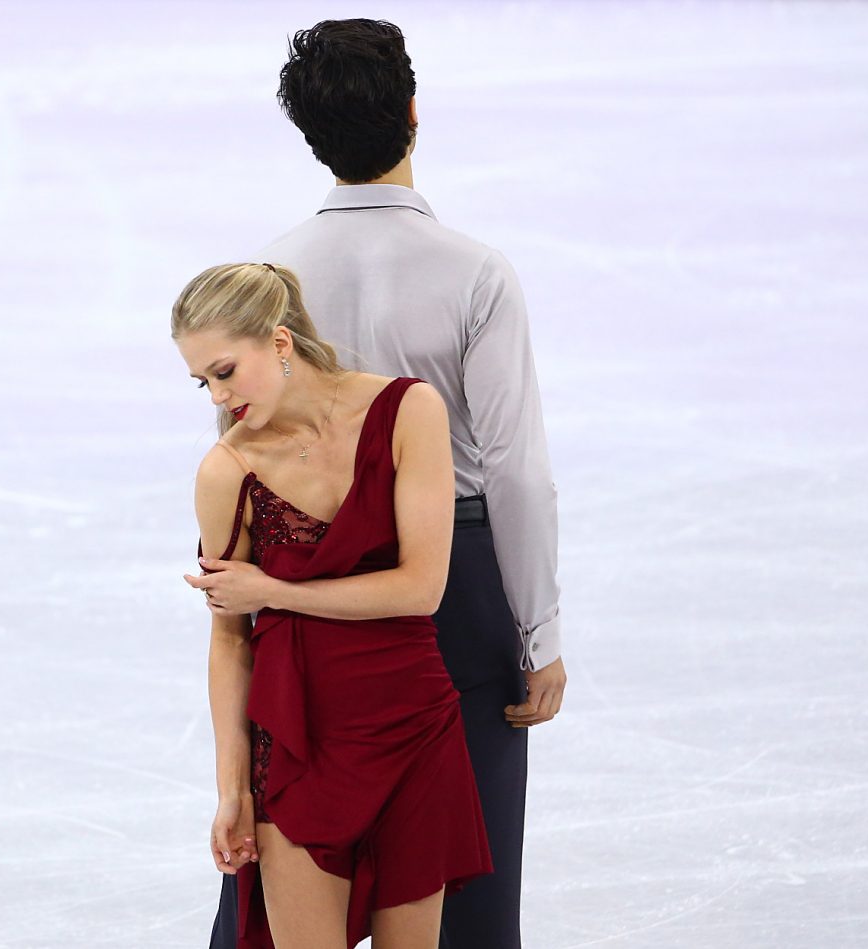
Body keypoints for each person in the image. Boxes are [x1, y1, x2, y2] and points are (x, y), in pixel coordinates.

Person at [209, 18, 567, 949]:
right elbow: (517, 467)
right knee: (466, 881)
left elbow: (240, 445)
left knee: (282, 867)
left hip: (302, 578)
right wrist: (538, 632)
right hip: (452, 582)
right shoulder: (476, 274)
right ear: (414, 113)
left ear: (311, 138)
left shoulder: (271, 278)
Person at [175, 262, 494, 949]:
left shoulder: (409, 410)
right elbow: (231, 640)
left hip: (413, 725)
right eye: (204, 381)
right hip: (300, 741)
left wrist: (276, 593)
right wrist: (231, 789)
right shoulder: (227, 471)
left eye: (226, 371)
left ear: (280, 343)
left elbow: (419, 588)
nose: (219, 397)